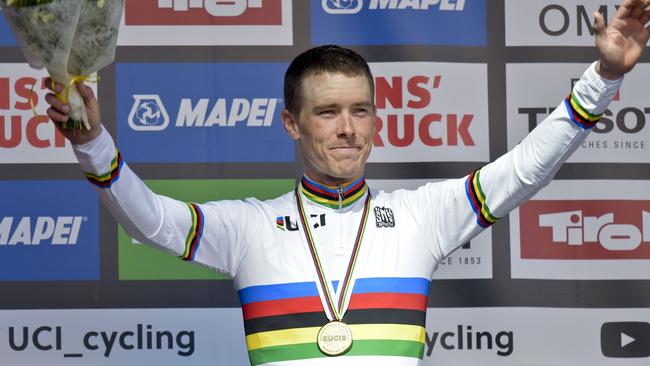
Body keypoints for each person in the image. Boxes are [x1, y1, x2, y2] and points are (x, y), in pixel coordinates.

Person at [45, 1, 650, 365]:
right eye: (327, 112)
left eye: (360, 111)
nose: (347, 130)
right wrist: (90, 141)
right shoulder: (250, 226)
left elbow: (523, 170)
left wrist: (602, 77)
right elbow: (151, 221)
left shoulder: (421, 214)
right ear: (291, 123)